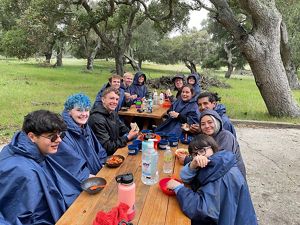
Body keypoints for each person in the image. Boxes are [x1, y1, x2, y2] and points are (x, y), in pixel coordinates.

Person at [0, 110, 81, 225]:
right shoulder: (23, 171)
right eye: (52, 137)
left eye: (60, 134)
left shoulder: (27, 149)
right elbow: (21, 217)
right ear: (32, 136)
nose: (59, 140)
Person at [167, 134, 257, 225]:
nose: (198, 156)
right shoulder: (218, 162)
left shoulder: (219, 174)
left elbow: (203, 211)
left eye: (202, 151)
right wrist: (192, 166)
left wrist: (179, 188)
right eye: (194, 154)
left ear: (213, 148)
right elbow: (185, 178)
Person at [50, 93, 107, 182]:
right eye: (79, 110)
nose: (84, 114)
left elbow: (98, 149)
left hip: (97, 174)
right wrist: (87, 176)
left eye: (87, 110)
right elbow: (69, 164)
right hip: (82, 183)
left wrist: (103, 164)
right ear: (69, 111)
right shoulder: (62, 134)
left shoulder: (84, 127)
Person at [183, 109, 246, 178]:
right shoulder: (207, 136)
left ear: (217, 122)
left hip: (232, 180)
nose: (207, 126)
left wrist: (188, 160)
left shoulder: (226, 136)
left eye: (210, 122)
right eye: (203, 124)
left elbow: (220, 162)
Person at [88, 87, 139, 155]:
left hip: (115, 148)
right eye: (111, 98)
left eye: (117, 99)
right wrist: (127, 137)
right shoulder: (97, 119)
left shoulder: (112, 112)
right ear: (103, 100)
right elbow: (107, 147)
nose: (115, 102)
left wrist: (132, 131)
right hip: (103, 156)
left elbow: (122, 128)